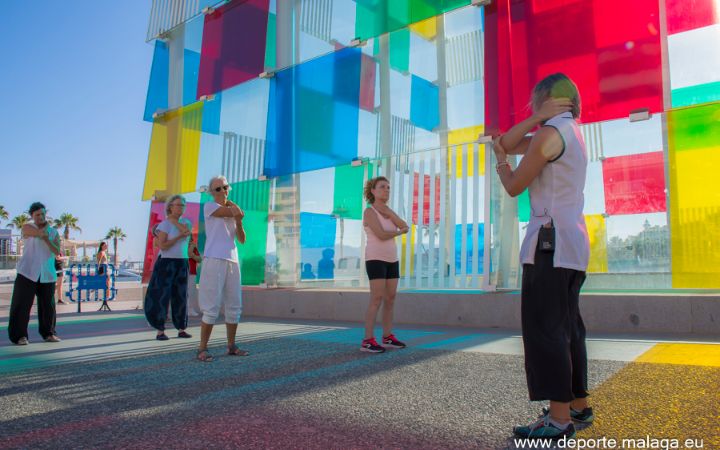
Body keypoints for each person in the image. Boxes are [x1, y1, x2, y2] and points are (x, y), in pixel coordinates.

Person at [492, 73, 592, 441]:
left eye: (536, 102)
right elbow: (505, 141)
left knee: (545, 331)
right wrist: (535, 122)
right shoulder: (570, 132)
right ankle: (578, 406)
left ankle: (559, 420)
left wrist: (502, 162)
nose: (532, 107)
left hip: (548, 245)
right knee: (569, 329)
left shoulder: (549, 135)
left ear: (547, 99)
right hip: (572, 244)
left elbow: (515, 185)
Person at [197, 175, 248, 362]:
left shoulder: (232, 212)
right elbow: (233, 212)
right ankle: (202, 348)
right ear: (212, 192)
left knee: (234, 305)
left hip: (232, 260)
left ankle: (232, 346)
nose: (222, 191)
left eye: (225, 187)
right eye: (217, 189)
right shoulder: (210, 207)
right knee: (211, 306)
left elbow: (242, 239)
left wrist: (239, 220)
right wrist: (235, 210)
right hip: (214, 259)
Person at [360, 176, 409, 353]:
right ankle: (367, 340)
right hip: (375, 259)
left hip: (392, 259)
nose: (386, 190)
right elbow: (381, 235)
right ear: (372, 191)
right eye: (382, 187)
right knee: (376, 299)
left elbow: (405, 226)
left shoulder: (388, 210)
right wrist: (397, 233)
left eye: (388, 187)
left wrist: (391, 216)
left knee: (390, 299)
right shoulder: (369, 212)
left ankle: (387, 337)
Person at [8, 202, 62, 345]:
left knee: (48, 306)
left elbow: (57, 251)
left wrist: (45, 238)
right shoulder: (28, 227)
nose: (41, 217)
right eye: (37, 214)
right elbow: (28, 232)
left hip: (47, 274)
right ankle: (20, 336)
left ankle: (49, 333)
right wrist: (40, 233)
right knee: (22, 305)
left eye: (43, 214)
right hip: (27, 272)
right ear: (32, 216)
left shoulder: (53, 232)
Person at [143, 195, 193, 340]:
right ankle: (160, 330)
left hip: (182, 262)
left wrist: (173, 221)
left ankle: (181, 328)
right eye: (178, 205)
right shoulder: (164, 225)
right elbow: (163, 246)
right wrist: (177, 236)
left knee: (181, 296)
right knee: (162, 296)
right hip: (166, 263)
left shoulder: (186, 222)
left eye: (183, 205)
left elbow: (186, 232)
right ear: (170, 206)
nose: (181, 208)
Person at [187, 236, 202, 317]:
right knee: (182, 292)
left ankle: (190, 309)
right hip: (182, 272)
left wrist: (192, 255)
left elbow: (199, 259)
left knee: (191, 292)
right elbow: (187, 254)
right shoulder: (180, 245)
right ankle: (183, 310)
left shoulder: (194, 246)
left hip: (192, 272)